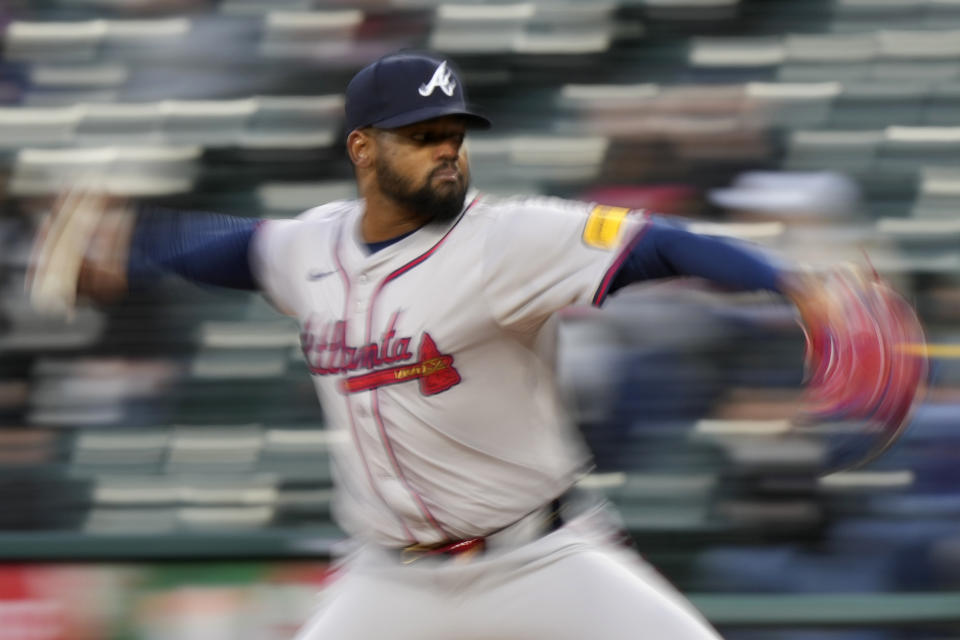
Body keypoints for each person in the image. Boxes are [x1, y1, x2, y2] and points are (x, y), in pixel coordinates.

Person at [36, 51, 826, 639]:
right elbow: (225, 249)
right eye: (420, 135)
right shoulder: (309, 249)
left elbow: (662, 245)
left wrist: (790, 280)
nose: (446, 149)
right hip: (391, 581)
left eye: (453, 132)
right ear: (363, 149)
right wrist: (129, 243)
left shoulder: (510, 240)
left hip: (539, 560)